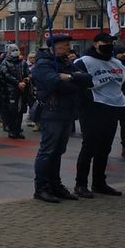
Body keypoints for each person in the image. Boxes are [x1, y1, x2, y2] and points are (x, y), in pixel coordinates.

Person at [31, 34, 93, 203]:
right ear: (55, 47)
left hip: (66, 112)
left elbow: (87, 79)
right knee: (47, 151)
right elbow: (57, 84)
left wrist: (70, 77)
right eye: (65, 45)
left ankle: (55, 185)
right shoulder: (43, 64)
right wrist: (71, 80)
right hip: (51, 112)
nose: (68, 48)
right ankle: (42, 188)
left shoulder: (66, 63)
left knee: (58, 151)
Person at [72, 33, 125, 198]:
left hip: (112, 108)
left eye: (111, 42)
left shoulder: (118, 64)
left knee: (105, 148)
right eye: (105, 42)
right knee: (89, 147)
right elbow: (78, 83)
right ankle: (80, 184)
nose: (108, 45)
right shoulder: (83, 61)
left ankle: (99, 183)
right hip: (92, 109)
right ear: (95, 43)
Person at [0, 44, 30, 139]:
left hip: (22, 91)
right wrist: (17, 83)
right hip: (10, 91)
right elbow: (5, 75)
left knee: (20, 111)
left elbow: (28, 73)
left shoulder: (23, 63)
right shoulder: (5, 63)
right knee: (12, 111)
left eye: (16, 49)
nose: (15, 51)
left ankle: (18, 130)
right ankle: (12, 130)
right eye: (13, 50)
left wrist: (26, 80)